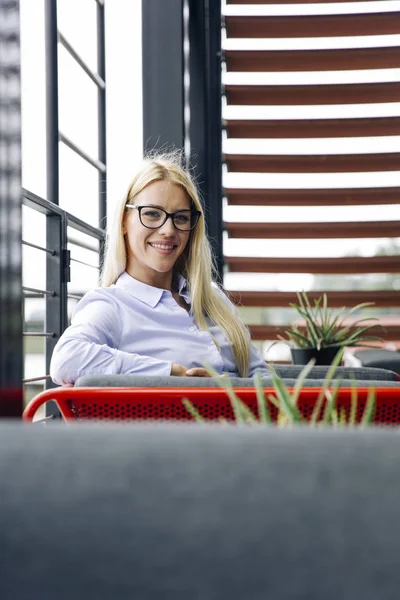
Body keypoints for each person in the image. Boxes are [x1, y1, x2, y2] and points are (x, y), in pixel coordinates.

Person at [50, 151, 269, 385]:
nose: (168, 229)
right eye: (152, 214)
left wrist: (224, 388)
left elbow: (264, 376)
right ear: (124, 220)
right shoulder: (112, 305)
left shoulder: (213, 299)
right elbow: (66, 360)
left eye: (181, 218)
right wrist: (171, 374)